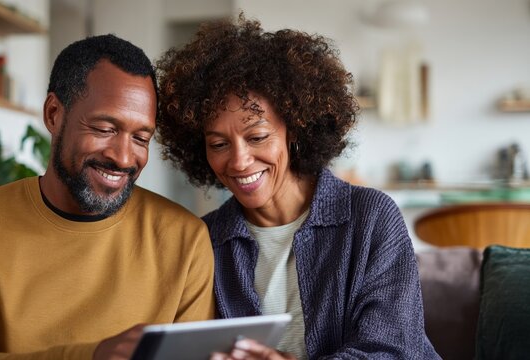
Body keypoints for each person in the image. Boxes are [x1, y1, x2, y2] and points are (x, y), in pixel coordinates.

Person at [0, 34, 215, 360]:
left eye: (141, 138)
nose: (124, 158)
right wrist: (93, 356)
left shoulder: (185, 238)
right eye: (105, 129)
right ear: (54, 114)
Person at [156, 15, 440, 359]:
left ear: (294, 130)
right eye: (218, 144)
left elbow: (393, 350)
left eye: (257, 136)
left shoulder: (371, 218)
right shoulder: (207, 240)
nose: (239, 161)